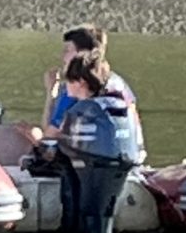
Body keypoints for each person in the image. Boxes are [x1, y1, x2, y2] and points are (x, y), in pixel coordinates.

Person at [50, 56, 141, 233]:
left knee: (91, 214)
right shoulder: (117, 103)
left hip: (96, 163)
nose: (66, 87)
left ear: (81, 82)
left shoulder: (83, 111)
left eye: (69, 81)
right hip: (120, 160)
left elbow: (62, 146)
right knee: (101, 213)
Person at [44, 23, 144, 160]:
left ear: (83, 54)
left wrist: (51, 94)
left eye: (67, 50)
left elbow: (49, 136)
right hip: (131, 157)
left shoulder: (77, 87)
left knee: (30, 135)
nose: (63, 57)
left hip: (87, 164)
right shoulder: (117, 83)